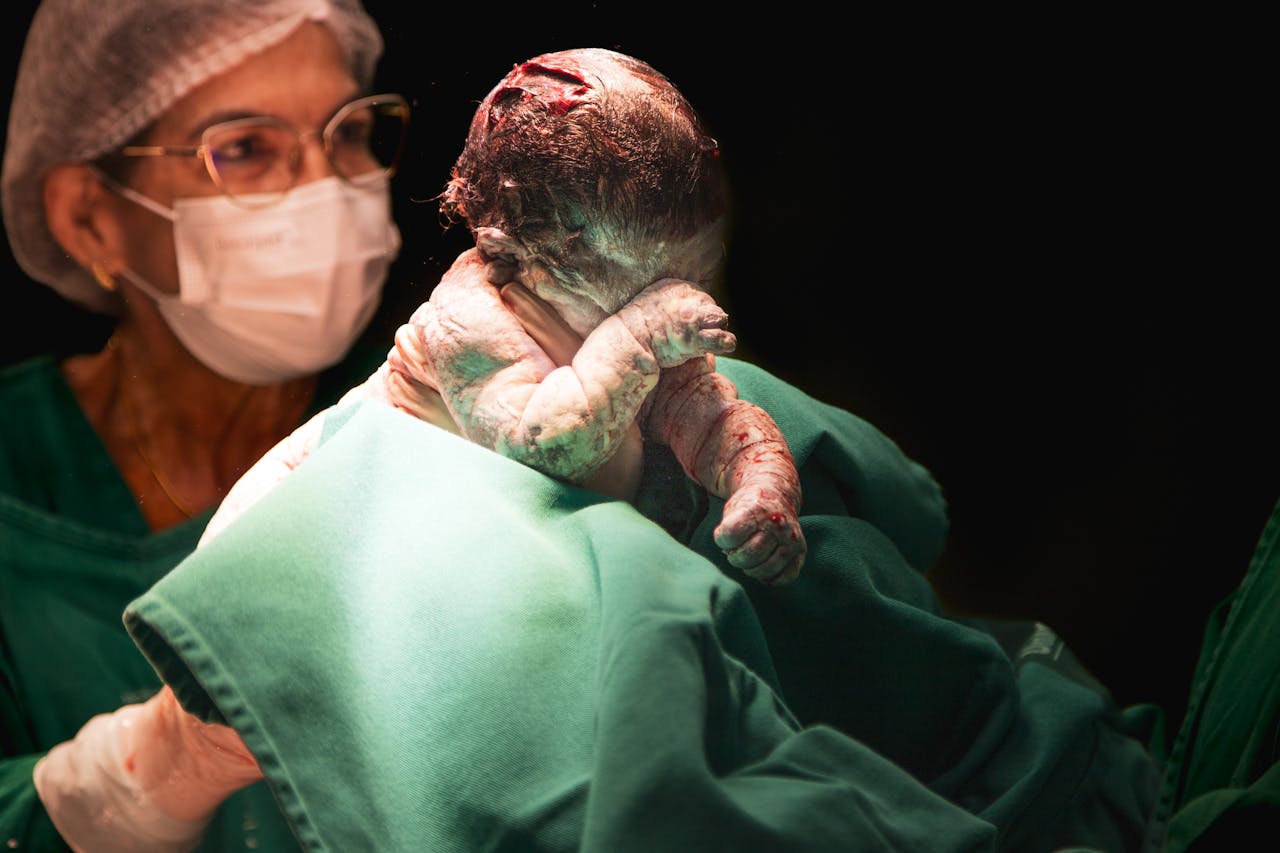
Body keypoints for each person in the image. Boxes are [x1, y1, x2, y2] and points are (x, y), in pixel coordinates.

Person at [111, 47, 1162, 851]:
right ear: (509, 233)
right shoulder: (473, 316)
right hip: (446, 502)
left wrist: (756, 481)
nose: (551, 79)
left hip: (612, 472)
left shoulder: (615, 285)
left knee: (840, 607)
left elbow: (705, 411)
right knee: (643, 697)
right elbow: (550, 433)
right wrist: (645, 334)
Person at [0, 1, 587, 849]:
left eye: (348, 135)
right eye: (243, 148)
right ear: (92, 218)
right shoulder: (19, 482)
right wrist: (155, 766)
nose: (325, 189)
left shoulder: (450, 424)